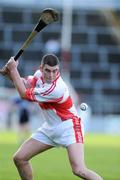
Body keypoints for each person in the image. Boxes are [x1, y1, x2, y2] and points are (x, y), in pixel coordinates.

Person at [0, 54, 103, 180]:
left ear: (58, 70)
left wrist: (13, 70)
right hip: (49, 128)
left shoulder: (57, 88)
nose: (51, 75)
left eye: (55, 71)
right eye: (48, 70)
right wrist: (10, 73)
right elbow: (24, 85)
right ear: (41, 68)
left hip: (69, 127)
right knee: (20, 158)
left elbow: (24, 95)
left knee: (79, 170)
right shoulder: (38, 75)